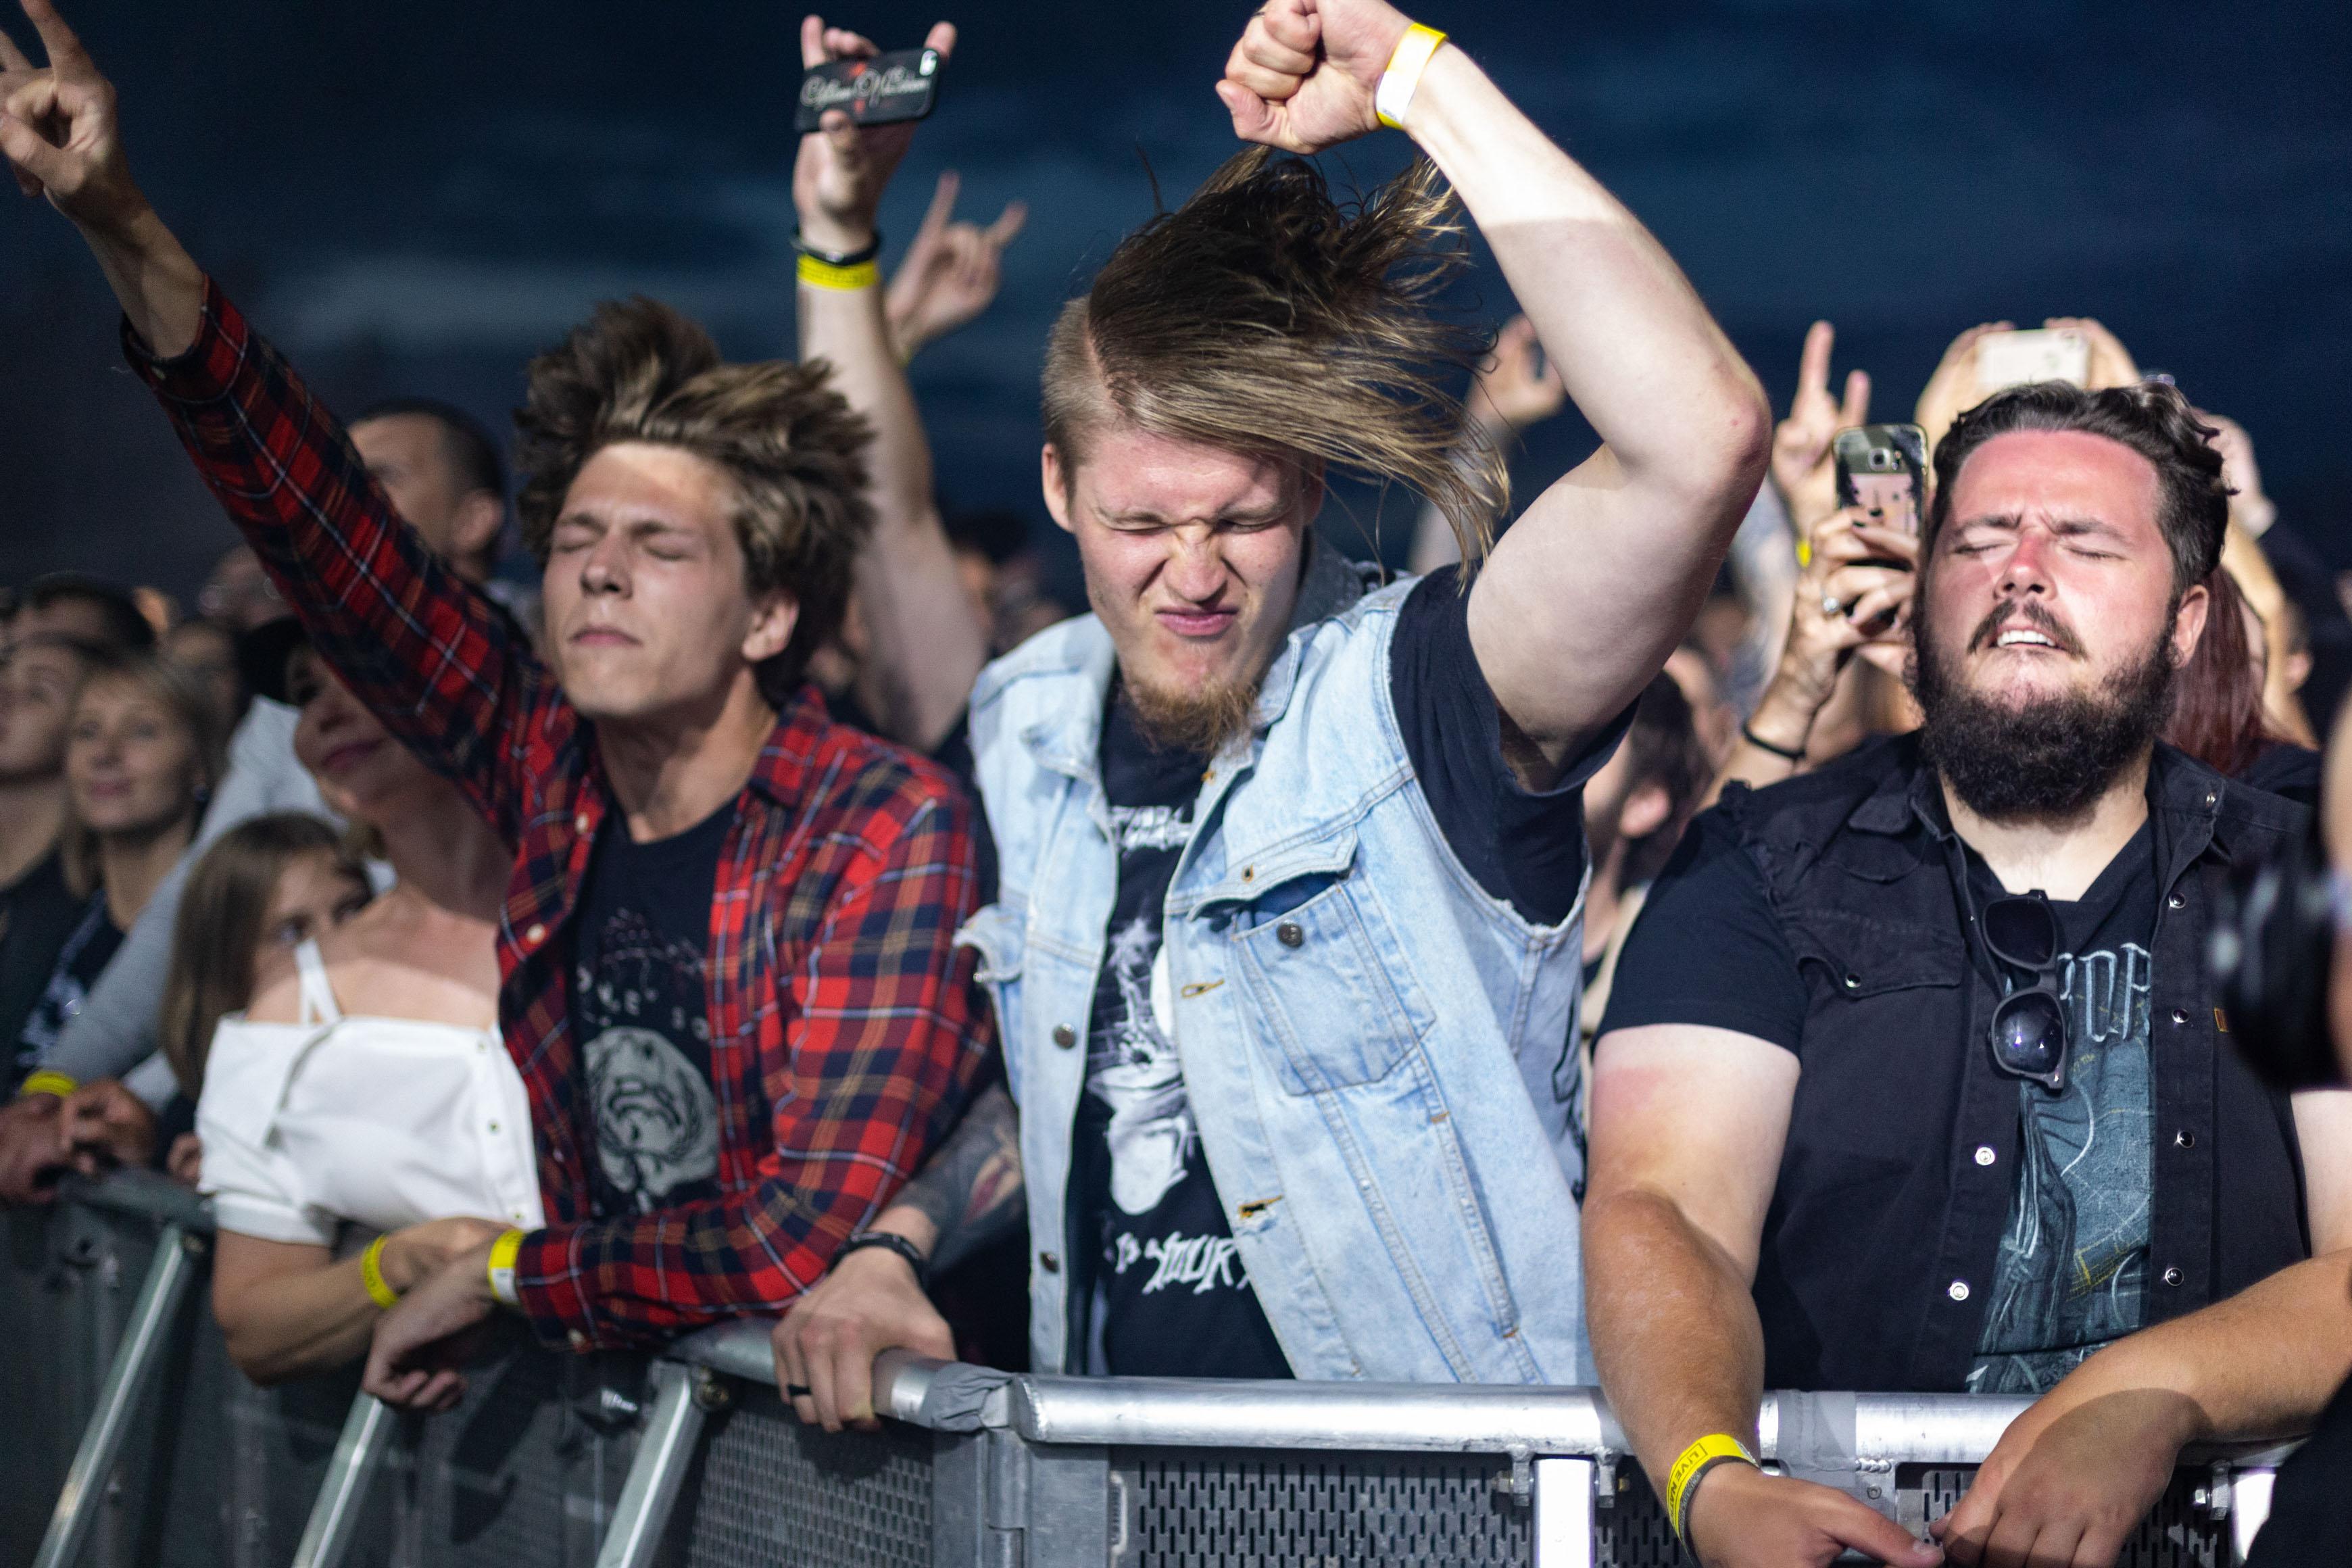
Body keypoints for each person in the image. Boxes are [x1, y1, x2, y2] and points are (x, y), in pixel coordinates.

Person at [776, 0, 1769, 1427]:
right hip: (1106, 1494)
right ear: (1058, 487)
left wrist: (1422, 81)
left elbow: (1698, 441)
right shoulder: (1030, 720)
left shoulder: (1419, 694)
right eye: (1141, 523)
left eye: (1240, 518)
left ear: (1306, 486)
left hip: (1421, 1502)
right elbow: (1067, 1073)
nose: (1192, 575)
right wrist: (899, 1242)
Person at [0, 0, 989, 1402]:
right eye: (578, 539)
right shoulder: (548, 764)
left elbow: (797, 1232)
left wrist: (512, 1272)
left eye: (659, 548)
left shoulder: (880, 825)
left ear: (770, 612)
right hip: (612, 1431)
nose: (599, 572)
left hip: (832, 1460)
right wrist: (119, 221)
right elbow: (322, 524)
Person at [1584, 380, 2352, 1568]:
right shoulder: (1755, 865)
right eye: (1981, 539)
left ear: (2187, 620)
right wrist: (1711, 1478)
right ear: (1923, 592)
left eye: (2084, 541)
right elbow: (1663, 1209)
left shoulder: (2295, 874)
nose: (2022, 572)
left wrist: (2149, 1395)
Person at [193, 661, 531, 1383]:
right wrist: (397, 1263)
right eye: (306, 692)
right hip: (474, 1446)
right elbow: (254, 1323)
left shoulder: (626, 922)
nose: (324, 715)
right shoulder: (296, 1005)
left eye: (359, 671)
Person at [55, 810, 370, 1190]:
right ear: (228, 966)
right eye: (291, 932)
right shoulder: (192, 1119)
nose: (335, 944)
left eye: (353, 910)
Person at [15, 651, 224, 1094]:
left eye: (142, 731)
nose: (105, 754)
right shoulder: (44, 918)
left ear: (200, 764)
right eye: (87, 732)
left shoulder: (222, 930)